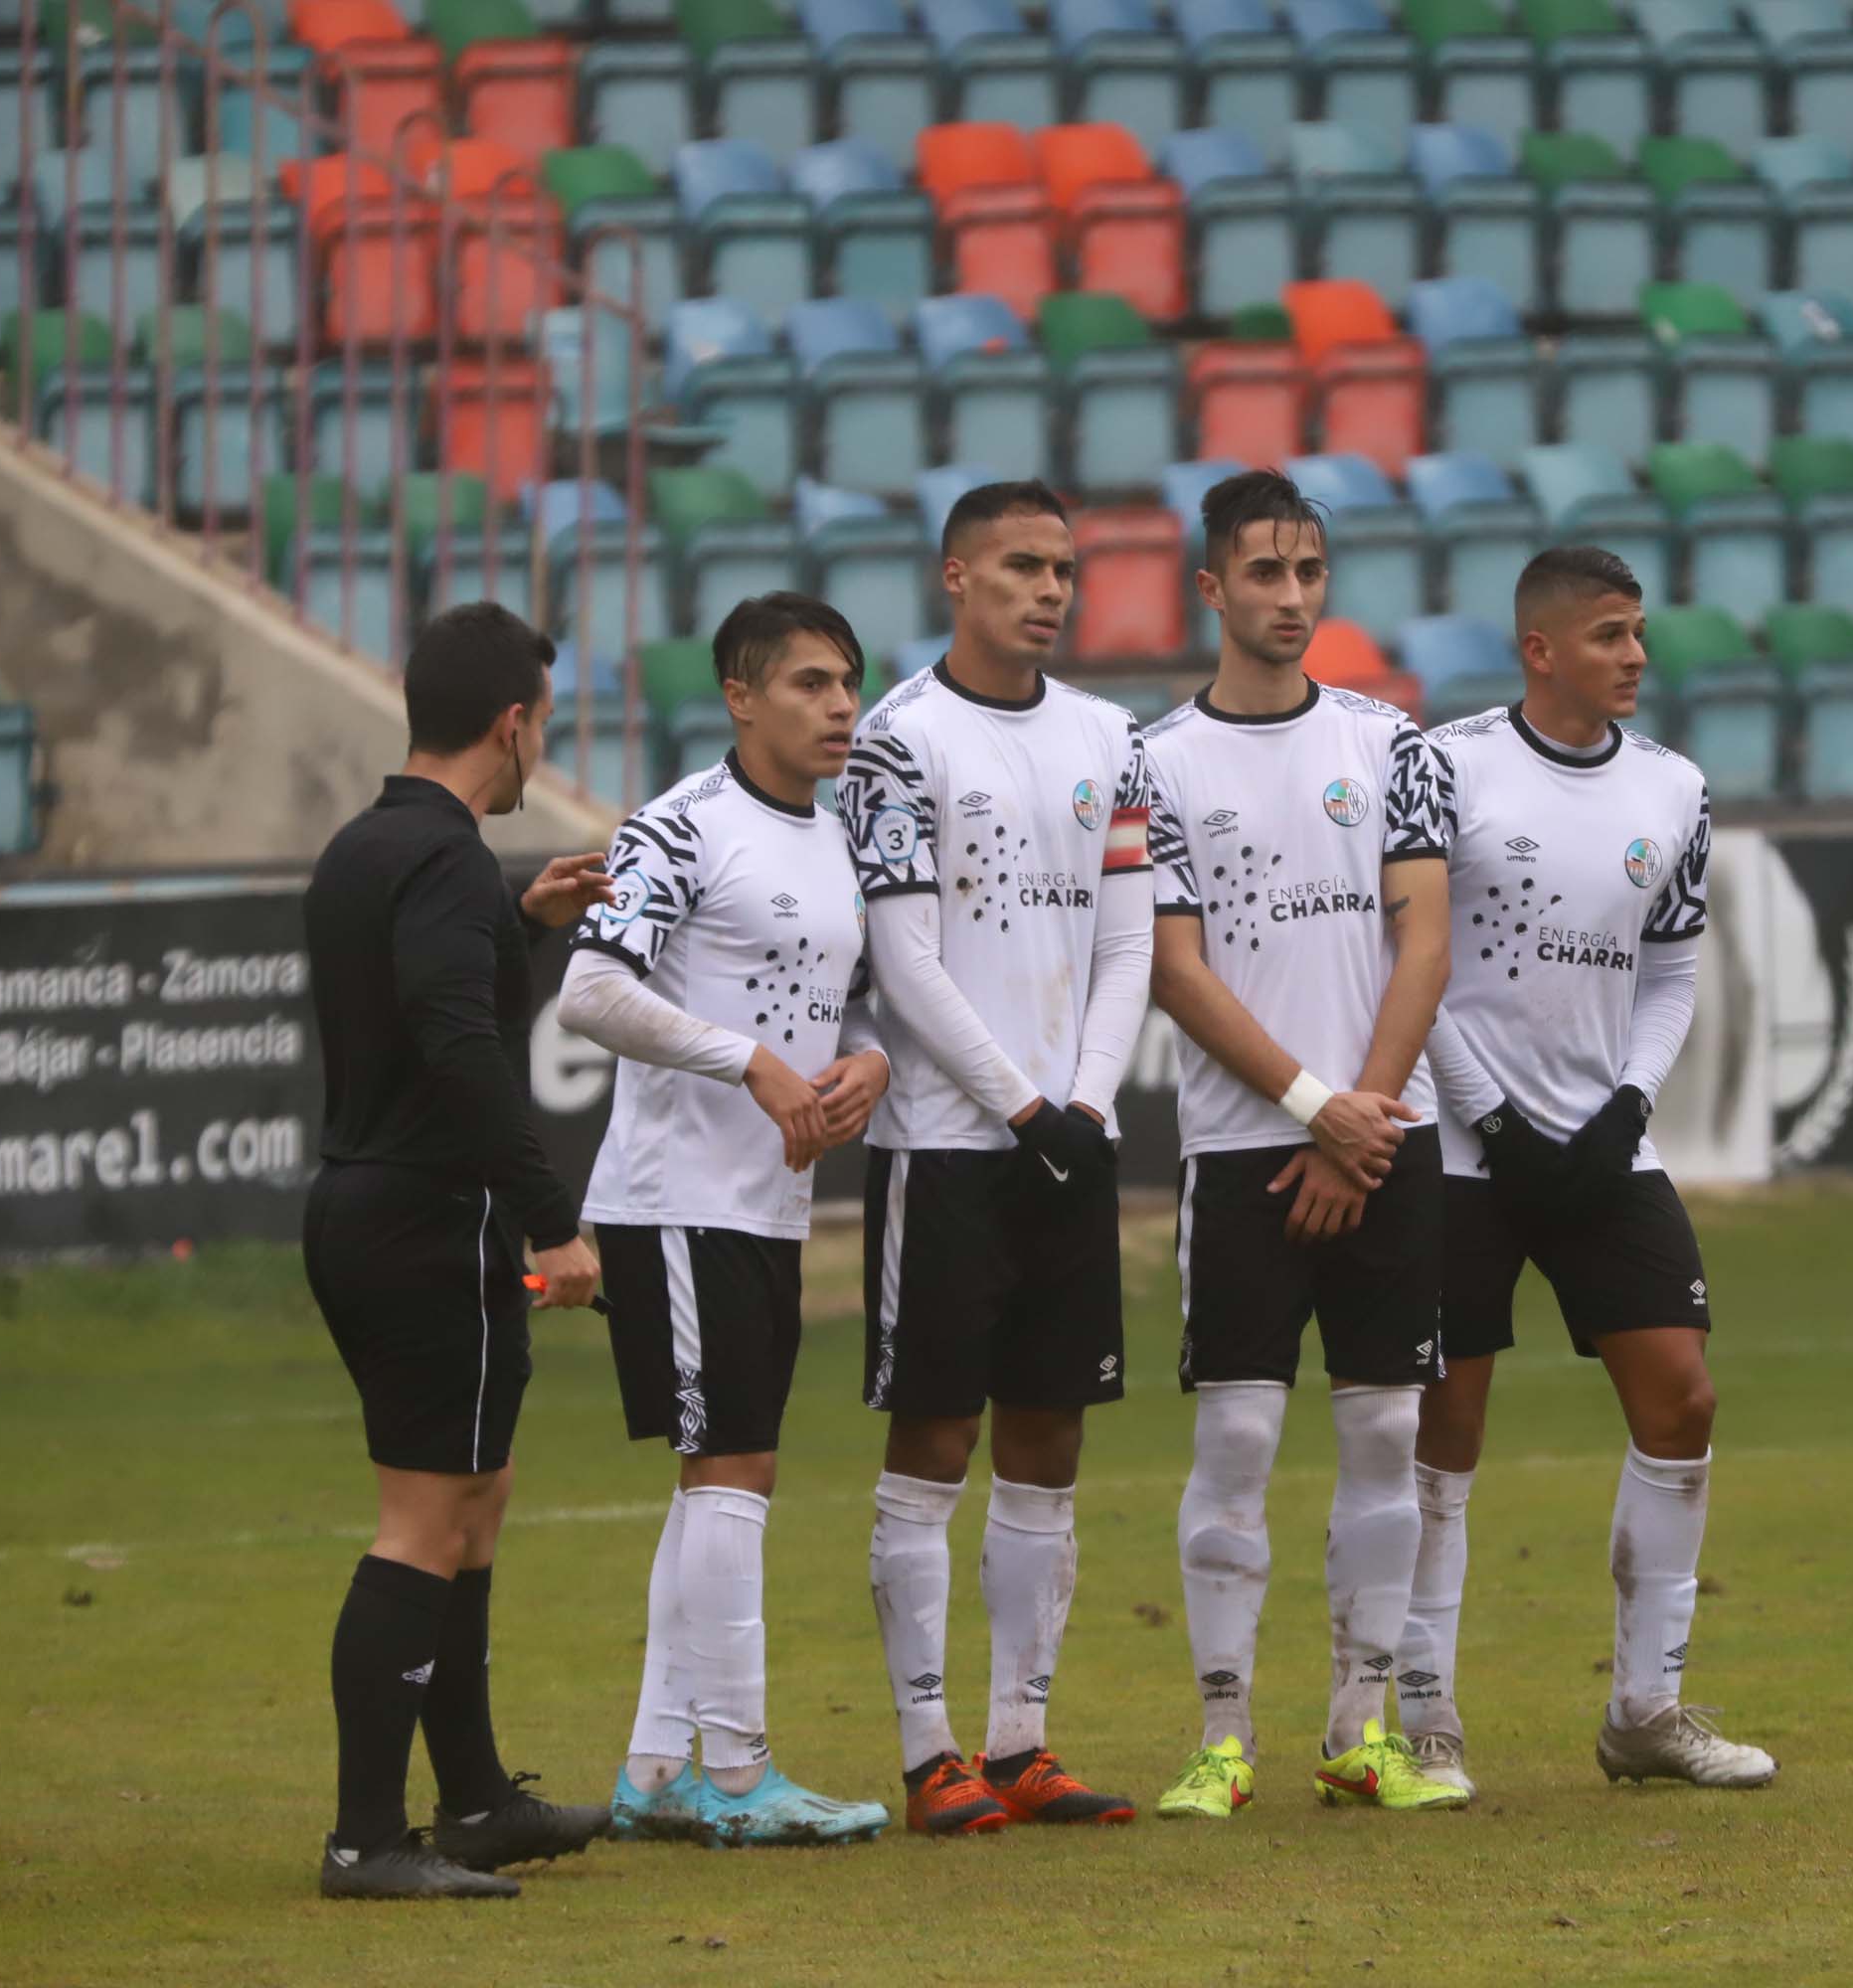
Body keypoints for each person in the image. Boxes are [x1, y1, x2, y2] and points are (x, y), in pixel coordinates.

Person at [1403, 546, 1775, 1797]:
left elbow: (1670, 972)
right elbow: (1418, 959)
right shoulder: (1446, 764)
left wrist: (1625, 1107)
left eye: (1640, 633)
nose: (1636, 656)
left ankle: (1645, 1710)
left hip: (1605, 1146)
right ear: (1541, 648)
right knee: (1445, 1426)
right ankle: (1428, 1716)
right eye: (1611, 634)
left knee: (1683, 1399)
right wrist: (1492, 1120)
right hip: (1462, 1146)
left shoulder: (1674, 786)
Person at [1140, 467, 1463, 1821]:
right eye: (1263, 574)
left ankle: (1358, 1730)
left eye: (1309, 572)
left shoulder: (1392, 744)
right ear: (1211, 589)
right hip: (1241, 1151)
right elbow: (1171, 966)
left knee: (1388, 1431)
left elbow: (1425, 937)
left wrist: (1360, 1122)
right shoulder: (1154, 763)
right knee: (1237, 1442)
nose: (1290, 598)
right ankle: (1222, 1740)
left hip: (1387, 1145)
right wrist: (1306, 1109)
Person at [832, 481, 1153, 1835]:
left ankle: (1023, 1740)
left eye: (1063, 568)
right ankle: (926, 1754)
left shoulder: (1108, 737)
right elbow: (902, 961)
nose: (1049, 589)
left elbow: (1129, 939)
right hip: (949, 1146)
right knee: (935, 1436)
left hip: (1069, 1141)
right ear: (953, 576)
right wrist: (1022, 1108)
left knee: (1048, 1434)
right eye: (1020, 565)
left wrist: (1081, 1106)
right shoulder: (897, 742)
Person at [557, 594, 895, 1851]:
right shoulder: (676, 827)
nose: (840, 705)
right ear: (742, 697)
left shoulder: (838, 838)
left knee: (719, 1480)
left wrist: (866, 1063)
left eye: (849, 682)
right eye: (810, 682)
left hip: (765, 1203)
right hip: (677, 1201)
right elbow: (591, 989)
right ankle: (740, 1773)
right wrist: (747, 1061)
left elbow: (850, 1002)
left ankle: (654, 1768)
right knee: (733, 1472)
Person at [299, 602, 618, 1900]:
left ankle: (476, 1801)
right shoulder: (441, 862)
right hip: (430, 1221)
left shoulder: (376, 846)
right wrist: (552, 1215)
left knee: (468, 1512)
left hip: (379, 1208)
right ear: (513, 722)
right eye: (543, 716)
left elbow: (421, 1003)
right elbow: (453, 1042)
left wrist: (522, 927)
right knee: (424, 1522)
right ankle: (366, 1841)